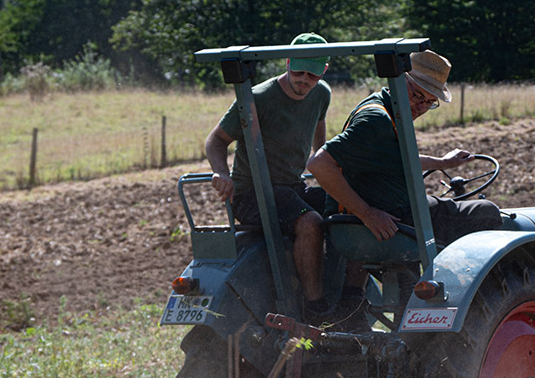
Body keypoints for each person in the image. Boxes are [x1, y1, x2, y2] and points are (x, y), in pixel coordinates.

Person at [307, 49, 502, 325]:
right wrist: (367, 213)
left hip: (384, 214)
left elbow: (396, 157)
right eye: (417, 95)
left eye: (429, 102)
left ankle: (356, 309)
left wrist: (443, 163)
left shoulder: (386, 110)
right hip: (386, 218)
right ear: (400, 81)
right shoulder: (376, 120)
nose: (421, 106)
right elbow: (318, 164)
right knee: (485, 212)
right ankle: (481, 311)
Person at [205, 31, 333, 322]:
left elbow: (320, 142)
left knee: (346, 208)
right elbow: (216, 140)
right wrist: (221, 173)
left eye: (312, 75)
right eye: (298, 71)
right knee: (310, 221)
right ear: (287, 62)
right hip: (252, 193)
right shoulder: (258, 98)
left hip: (292, 187)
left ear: (323, 71)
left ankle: (348, 294)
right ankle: (315, 306)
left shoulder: (321, 94)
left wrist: (331, 170)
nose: (304, 80)